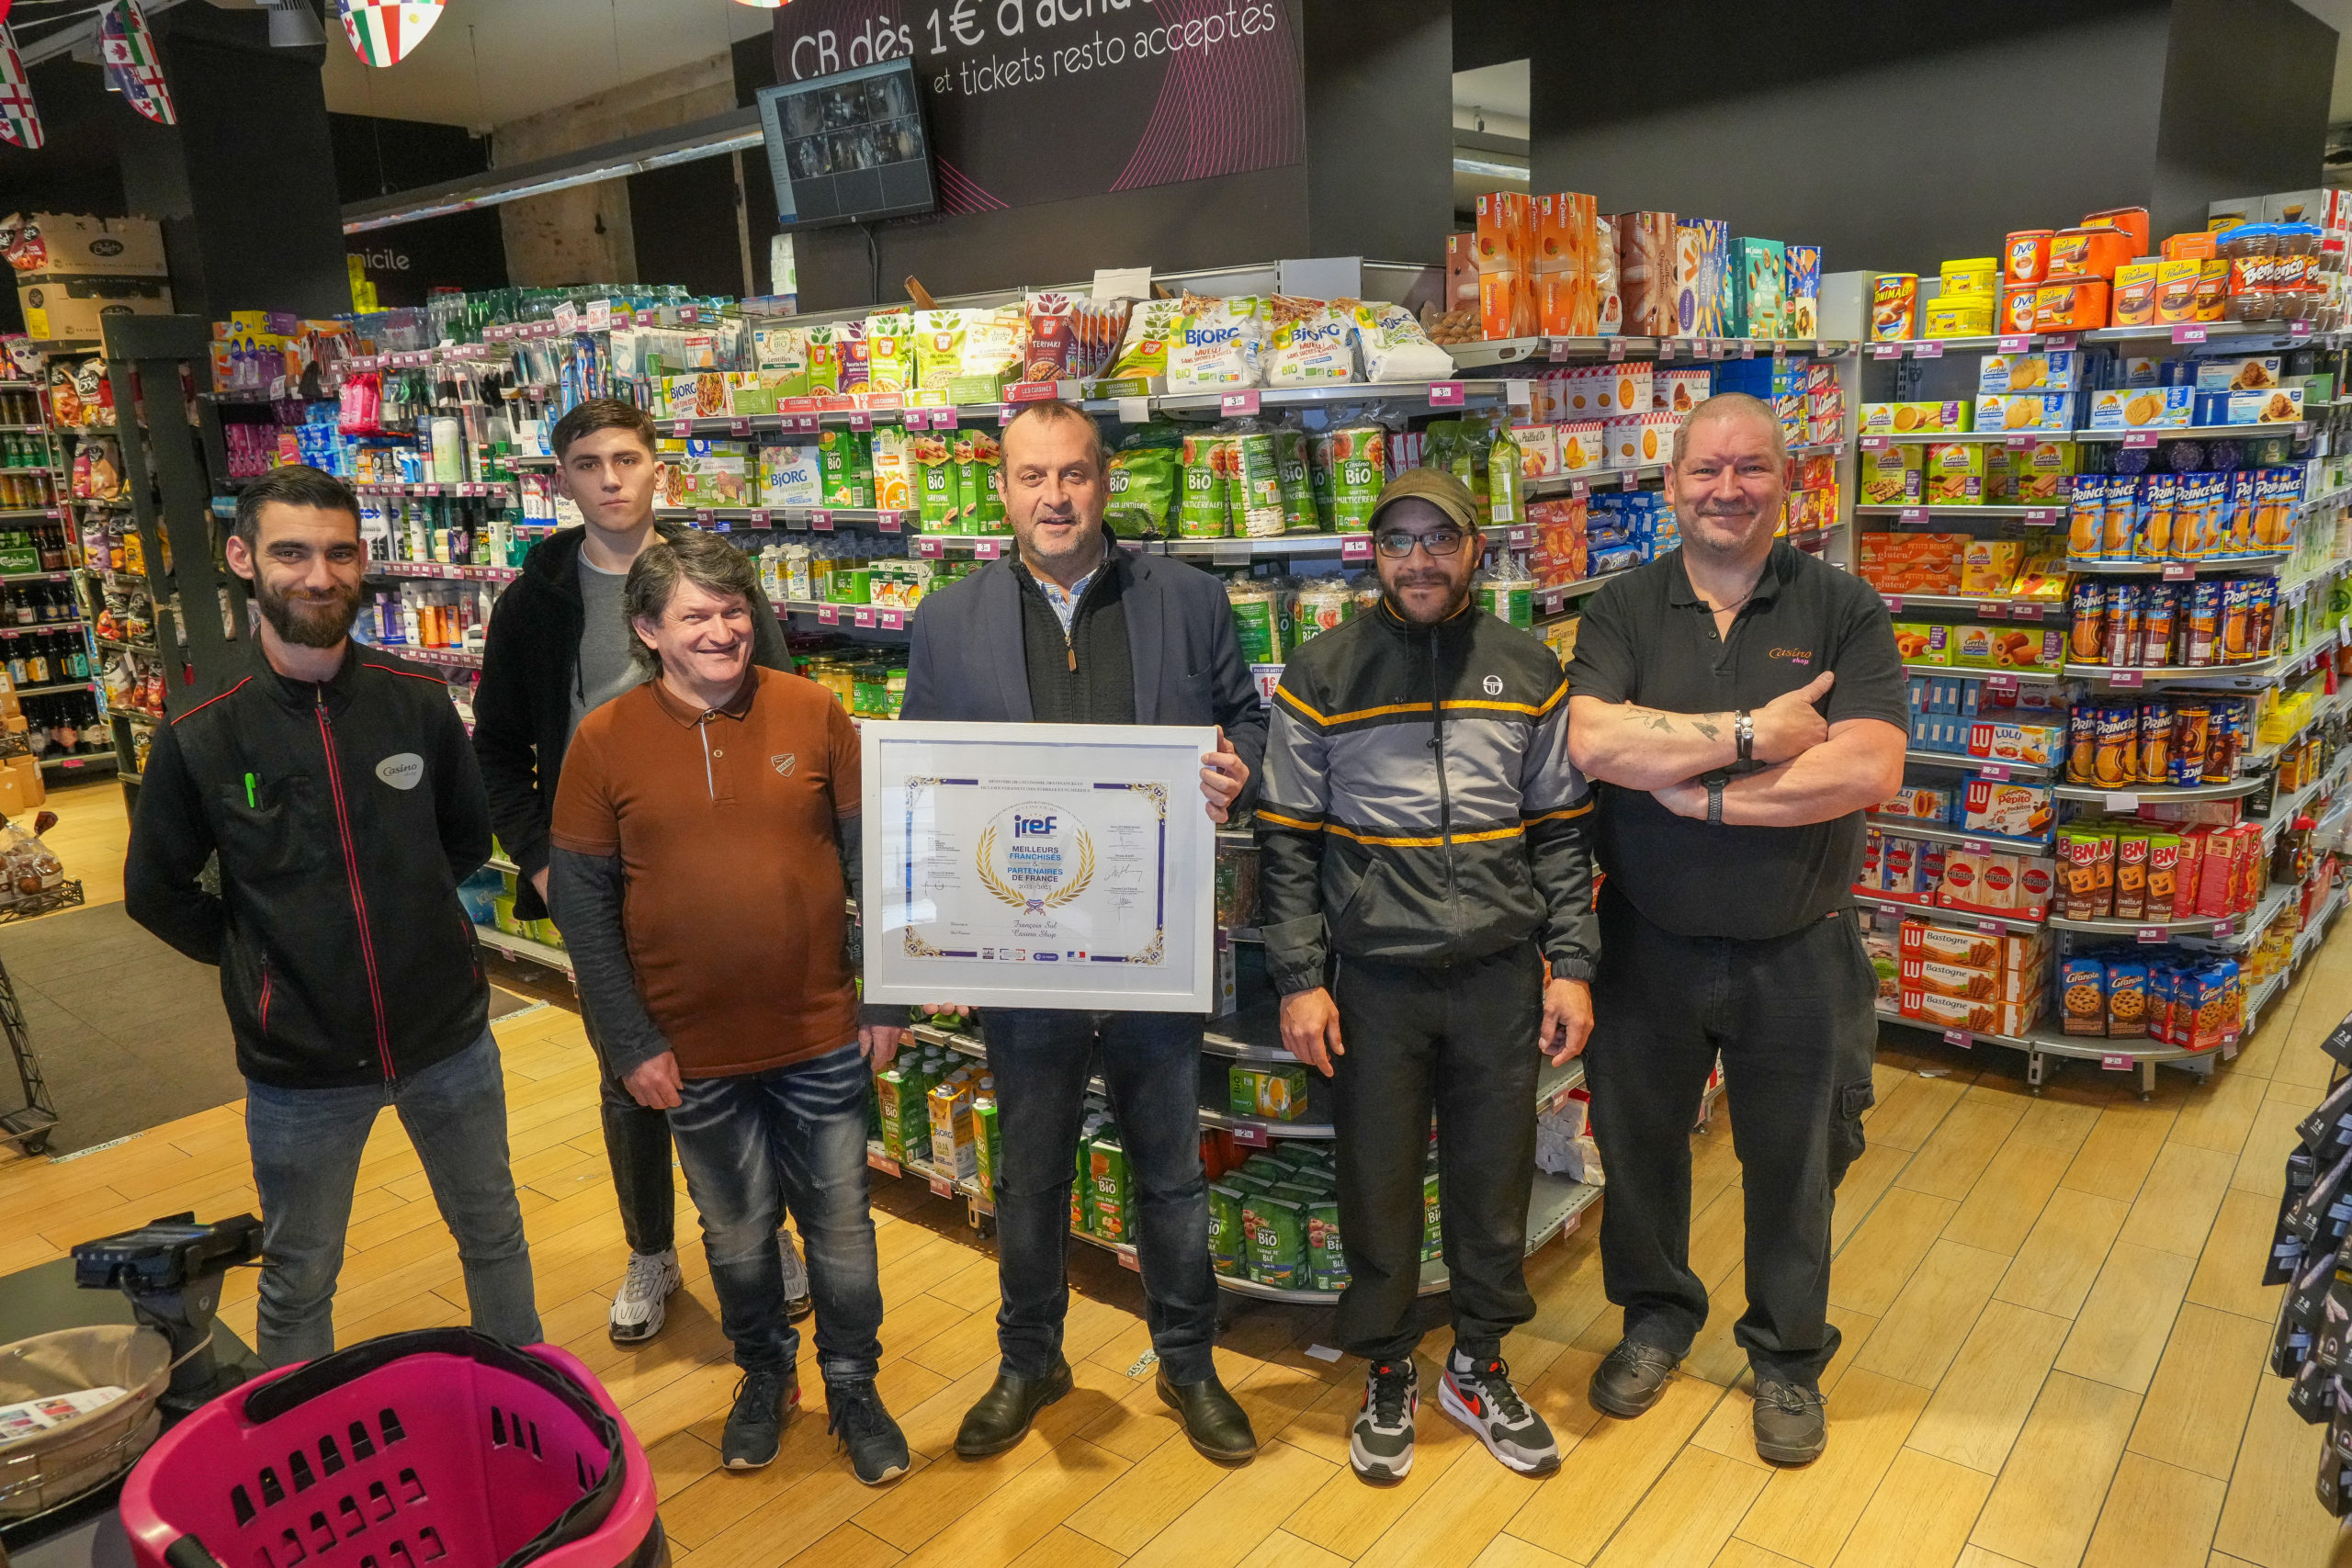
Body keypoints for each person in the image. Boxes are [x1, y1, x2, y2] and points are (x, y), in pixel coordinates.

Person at [900, 400, 1267, 1464]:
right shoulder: (948, 619)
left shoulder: (1188, 601)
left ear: (1103, 482)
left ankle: (1188, 1362)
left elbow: (1246, 715)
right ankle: (1030, 1360)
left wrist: (1237, 768)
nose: (1053, 497)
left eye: (1072, 475)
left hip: (1151, 941)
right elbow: (924, 781)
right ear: (1001, 489)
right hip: (1021, 949)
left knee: (1170, 1172)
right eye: (1032, 477)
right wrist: (929, 939)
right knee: (1029, 1175)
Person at [124, 464, 540, 1367]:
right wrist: (262, 959)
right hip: (300, 1067)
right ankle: (298, 1433)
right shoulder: (203, 729)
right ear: (243, 559)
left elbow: (465, 839)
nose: (319, 576)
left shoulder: (416, 701)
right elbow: (154, 890)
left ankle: (526, 1406)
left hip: (447, 1038)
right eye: (292, 553)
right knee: (300, 1274)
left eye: (340, 553)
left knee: (494, 1232)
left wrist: (411, 917)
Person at [1563, 393, 1906, 1466]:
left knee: (1795, 1166)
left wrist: (1700, 791)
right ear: (1670, 484)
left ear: (1787, 481)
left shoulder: (1844, 607)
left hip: (1798, 947)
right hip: (1644, 942)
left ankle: (1786, 1356)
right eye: (1705, 470)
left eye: (1750, 468)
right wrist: (1759, 735)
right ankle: (1655, 1319)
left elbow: (1865, 767)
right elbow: (1593, 742)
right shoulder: (1623, 607)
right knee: (1639, 1152)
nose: (1727, 490)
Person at [1255, 467, 1598, 1486]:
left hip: (1499, 974)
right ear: (1373, 554)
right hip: (1374, 981)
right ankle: (1387, 1367)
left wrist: (1571, 965)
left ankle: (1479, 1364)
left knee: (1494, 1181)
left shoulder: (1528, 668)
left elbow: (1561, 832)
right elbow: (1286, 841)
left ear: (1475, 550)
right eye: (1398, 540)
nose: (1418, 559)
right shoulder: (1321, 672)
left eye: (1439, 539)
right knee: (1379, 1182)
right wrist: (1300, 977)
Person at [547, 529, 910, 1483]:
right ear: (648, 631)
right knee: (738, 1235)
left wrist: (888, 994)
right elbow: (583, 910)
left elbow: (878, 862)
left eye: (734, 610)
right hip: (688, 1049)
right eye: (696, 615)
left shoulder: (813, 709)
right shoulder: (603, 740)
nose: (721, 631)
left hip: (820, 1034)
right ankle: (765, 1375)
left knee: (841, 1230)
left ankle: (853, 1384)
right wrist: (629, 1041)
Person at [473, 397, 806, 1347]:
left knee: (750, 1059)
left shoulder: (716, 578)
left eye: (626, 458)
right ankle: (651, 1250)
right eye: (588, 463)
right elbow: (495, 748)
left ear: (661, 468)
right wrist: (541, 860)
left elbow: (781, 700)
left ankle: (766, 1234)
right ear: (562, 480)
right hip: (601, 875)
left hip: (727, 867)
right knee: (631, 1071)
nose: (611, 479)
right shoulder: (535, 603)